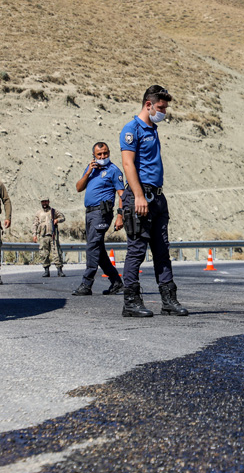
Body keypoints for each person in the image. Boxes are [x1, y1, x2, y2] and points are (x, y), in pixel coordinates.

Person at [118, 85, 187, 317]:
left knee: (162, 251)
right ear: (148, 105)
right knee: (137, 251)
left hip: (157, 197)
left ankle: (169, 300)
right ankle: (131, 302)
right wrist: (138, 195)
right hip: (140, 197)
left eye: (165, 108)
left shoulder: (153, 128)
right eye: (161, 107)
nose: (164, 112)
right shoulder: (131, 129)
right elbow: (127, 164)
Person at [72, 142, 126, 296]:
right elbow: (78, 188)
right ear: (94, 156)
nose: (103, 156)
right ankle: (116, 282)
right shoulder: (92, 169)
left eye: (105, 153)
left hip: (102, 213)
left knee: (92, 247)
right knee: (98, 250)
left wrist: (120, 216)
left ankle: (86, 284)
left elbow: (122, 194)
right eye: (99, 154)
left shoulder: (113, 170)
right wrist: (88, 172)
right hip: (89, 213)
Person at [33, 198, 65, 278]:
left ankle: (59, 270)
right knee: (44, 254)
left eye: (46, 202)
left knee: (56, 253)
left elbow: (63, 217)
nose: (44, 203)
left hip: (53, 236)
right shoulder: (39, 213)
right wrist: (34, 235)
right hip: (43, 236)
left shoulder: (53, 211)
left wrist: (57, 220)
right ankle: (46, 271)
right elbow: (35, 224)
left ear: (48, 202)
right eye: (43, 202)